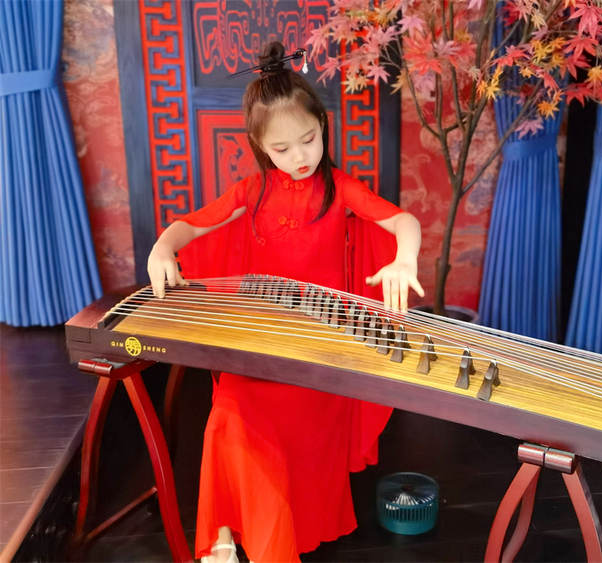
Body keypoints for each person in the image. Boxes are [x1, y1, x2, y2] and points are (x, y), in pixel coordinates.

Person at [146, 42, 423, 563]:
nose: (300, 157)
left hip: (320, 344)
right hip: (262, 339)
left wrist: (403, 260)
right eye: (282, 149)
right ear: (260, 147)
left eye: (309, 140)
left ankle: (264, 538)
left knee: (281, 429)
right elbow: (191, 226)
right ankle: (224, 538)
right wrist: (163, 247)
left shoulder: (338, 189)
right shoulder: (252, 192)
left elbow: (402, 221)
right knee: (227, 413)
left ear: (323, 125)